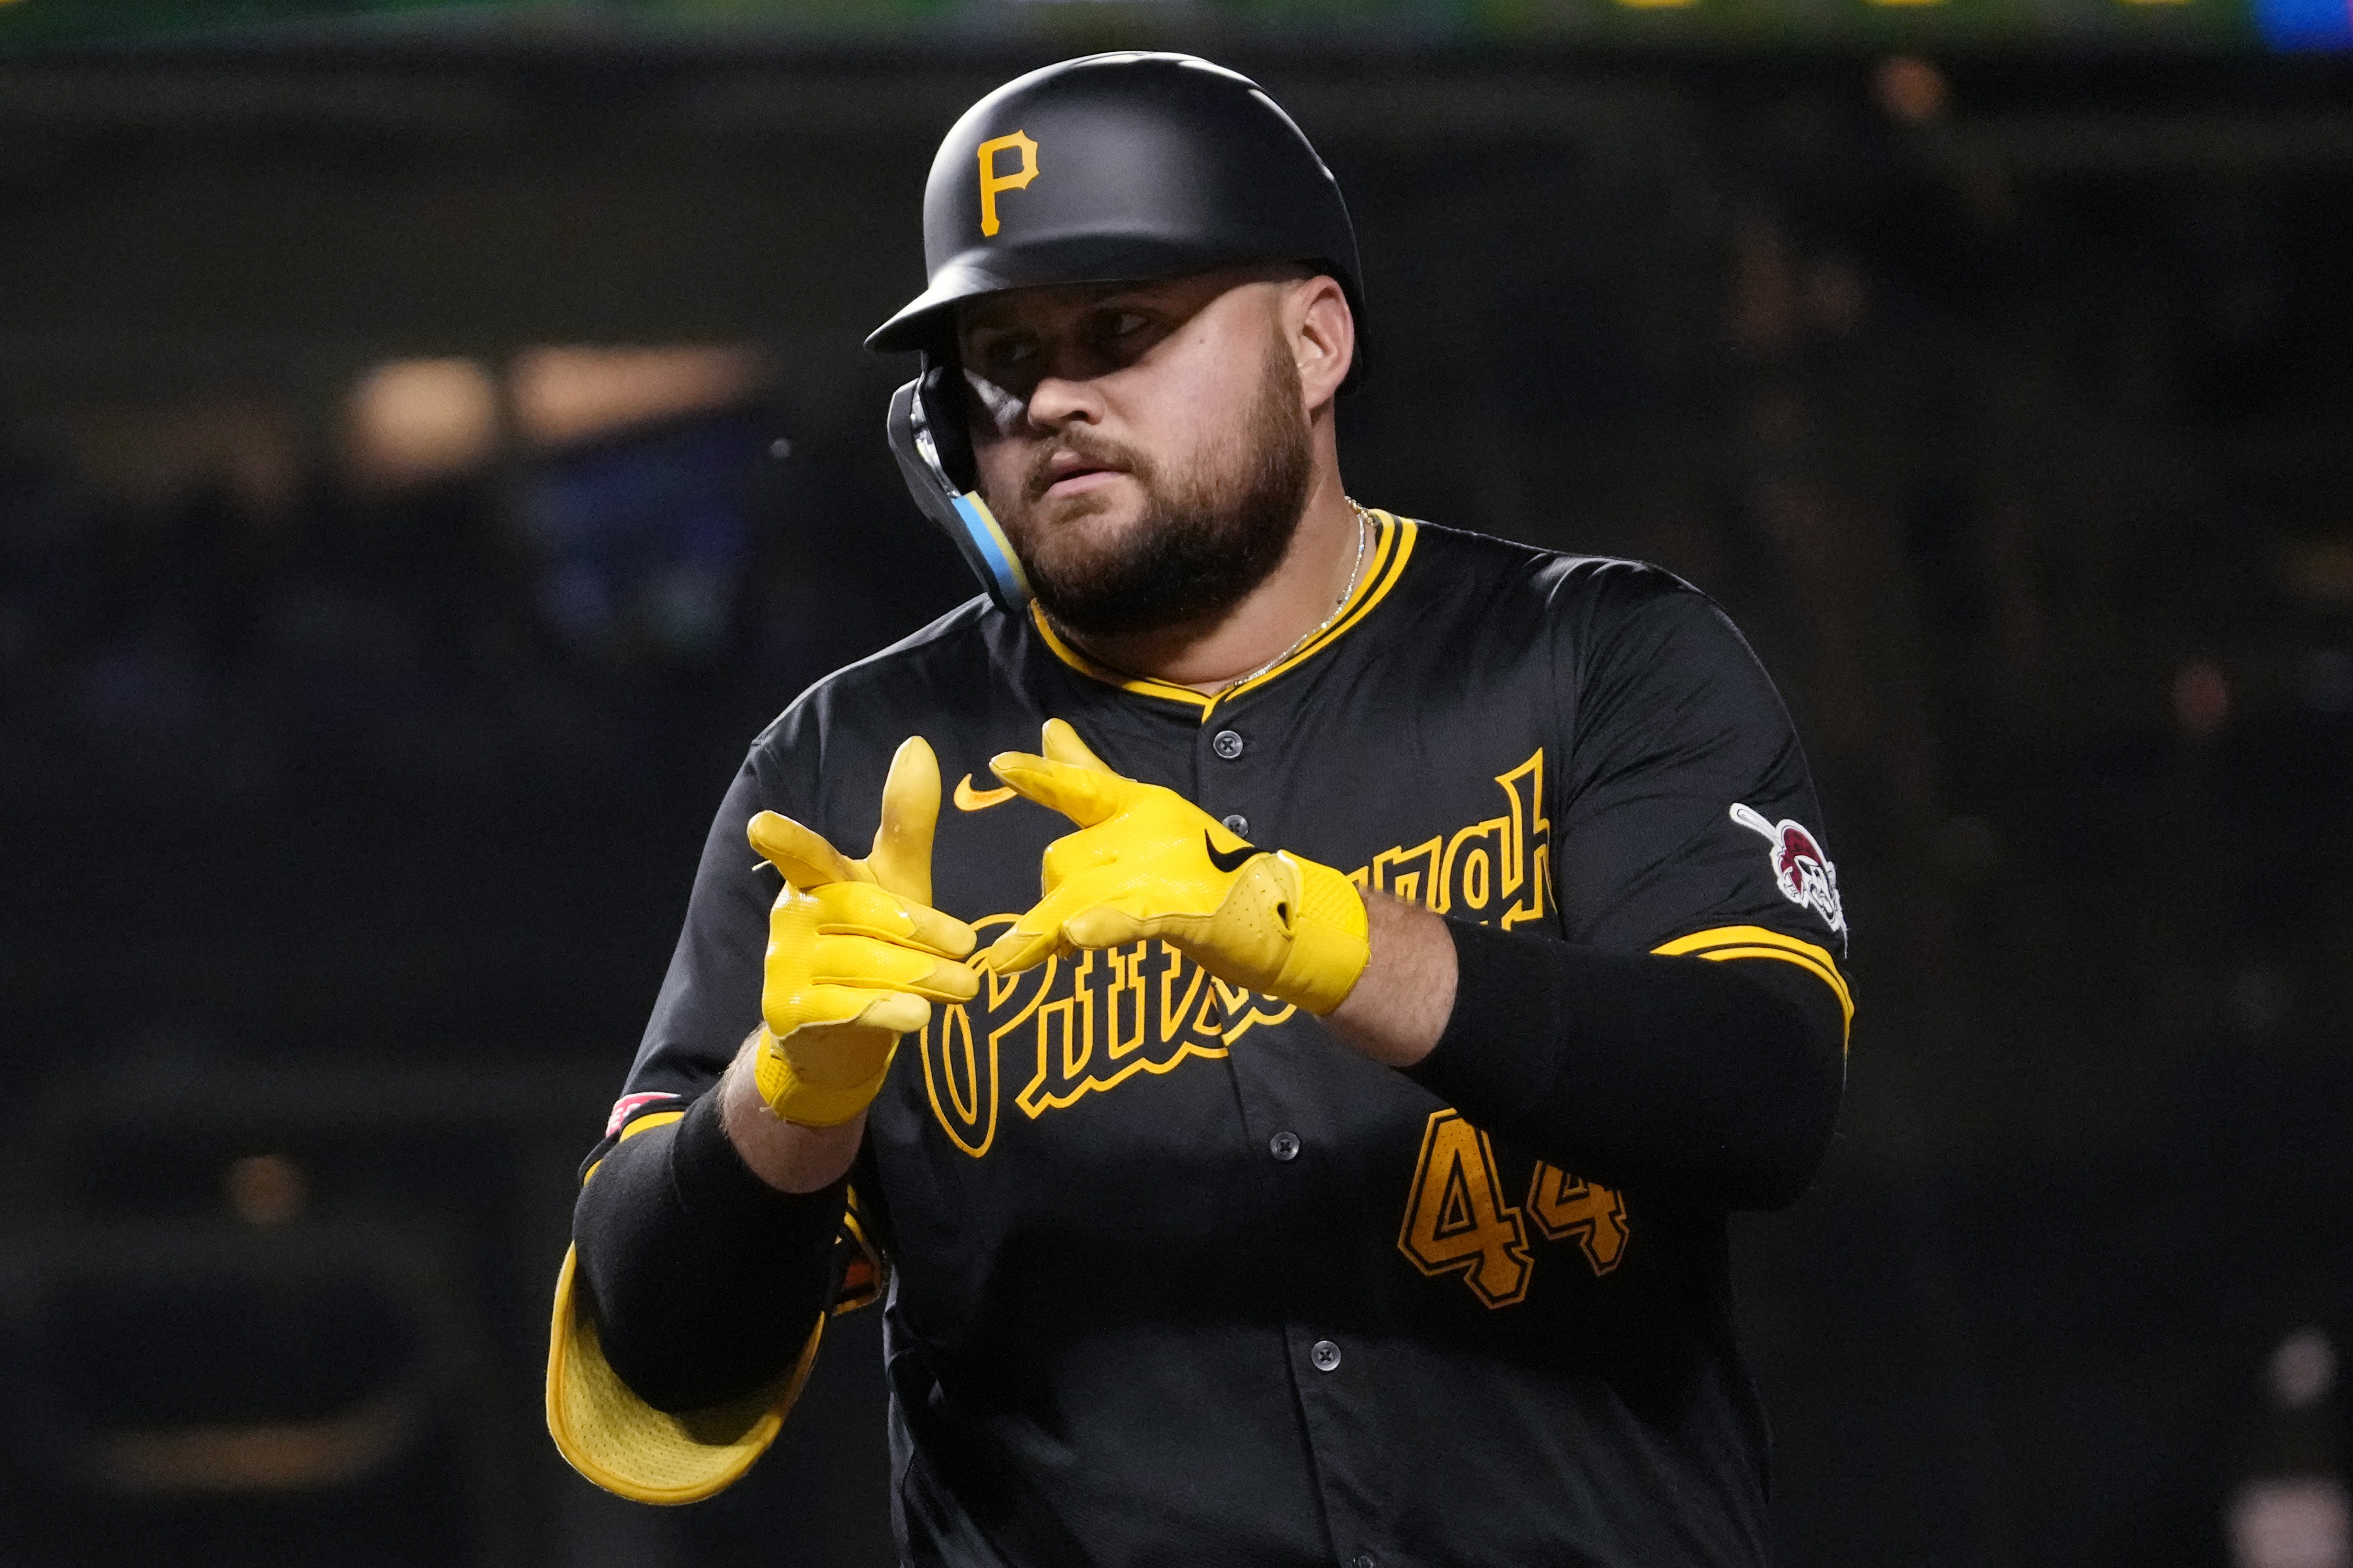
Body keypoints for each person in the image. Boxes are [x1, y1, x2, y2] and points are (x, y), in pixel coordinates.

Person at [546, 51, 1850, 1568]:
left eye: (1123, 329)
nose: (1049, 398)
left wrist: (1312, 932)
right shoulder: (849, 773)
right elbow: (650, 1377)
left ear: (1315, 339)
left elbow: (1758, 1099)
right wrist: (783, 1106)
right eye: (999, 354)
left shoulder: (1593, 659)